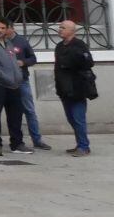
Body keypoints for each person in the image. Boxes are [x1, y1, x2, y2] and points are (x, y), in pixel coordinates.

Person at [0, 17, 31, 156]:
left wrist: (18, 76)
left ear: (7, 29)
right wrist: (3, 76)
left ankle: (17, 143)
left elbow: (13, 62)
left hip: (14, 85)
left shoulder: (8, 43)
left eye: (3, 28)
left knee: (16, 115)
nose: (0, 30)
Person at [54, 21, 96, 157]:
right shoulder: (59, 46)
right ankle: (80, 144)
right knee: (71, 118)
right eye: (59, 27)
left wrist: (72, 60)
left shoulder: (79, 45)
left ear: (72, 31)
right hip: (64, 89)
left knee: (78, 119)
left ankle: (84, 147)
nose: (59, 30)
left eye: (63, 28)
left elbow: (89, 63)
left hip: (78, 88)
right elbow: (58, 68)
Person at [7, 22, 49, 150]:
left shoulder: (21, 41)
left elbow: (33, 58)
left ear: (12, 28)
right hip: (7, 81)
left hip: (22, 80)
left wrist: (23, 62)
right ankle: (15, 140)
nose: (3, 31)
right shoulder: (1, 42)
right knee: (12, 112)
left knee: (29, 110)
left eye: (6, 28)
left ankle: (37, 139)